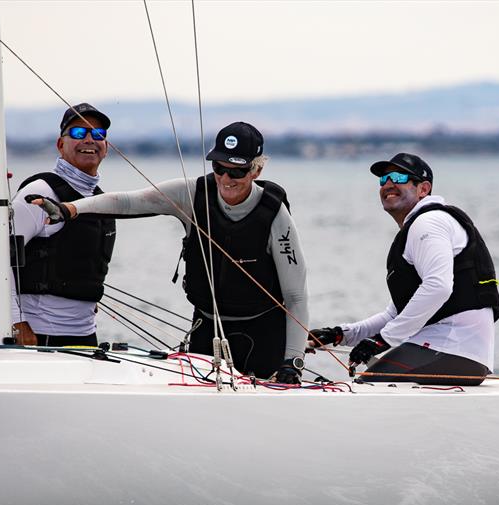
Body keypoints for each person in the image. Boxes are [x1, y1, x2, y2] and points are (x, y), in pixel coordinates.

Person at [31, 122, 309, 383]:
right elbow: (130, 201)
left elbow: (296, 296)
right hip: (207, 328)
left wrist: (292, 362)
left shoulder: (274, 214)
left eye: (236, 171)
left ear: (256, 171)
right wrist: (71, 209)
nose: (225, 178)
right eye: (218, 167)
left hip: (263, 333)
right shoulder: (192, 194)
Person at [310, 153, 499, 386]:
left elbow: (438, 287)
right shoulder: (420, 226)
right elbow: (395, 315)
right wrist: (339, 334)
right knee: (368, 386)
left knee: (368, 388)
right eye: (383, 179)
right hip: (457, 352)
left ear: (423, 189)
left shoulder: (427, 223)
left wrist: (383, 341)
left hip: (452, 348)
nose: (388, 184)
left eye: (399, 177)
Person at [10, 103, 115, 347]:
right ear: (60, 144)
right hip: (38, 335)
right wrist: (17, 322)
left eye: (98, 134)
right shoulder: (38, 194)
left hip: (85, 335)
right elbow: (0, 261)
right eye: (79, 133)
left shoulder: (100, 200)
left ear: (106, 147)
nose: (89, 139)